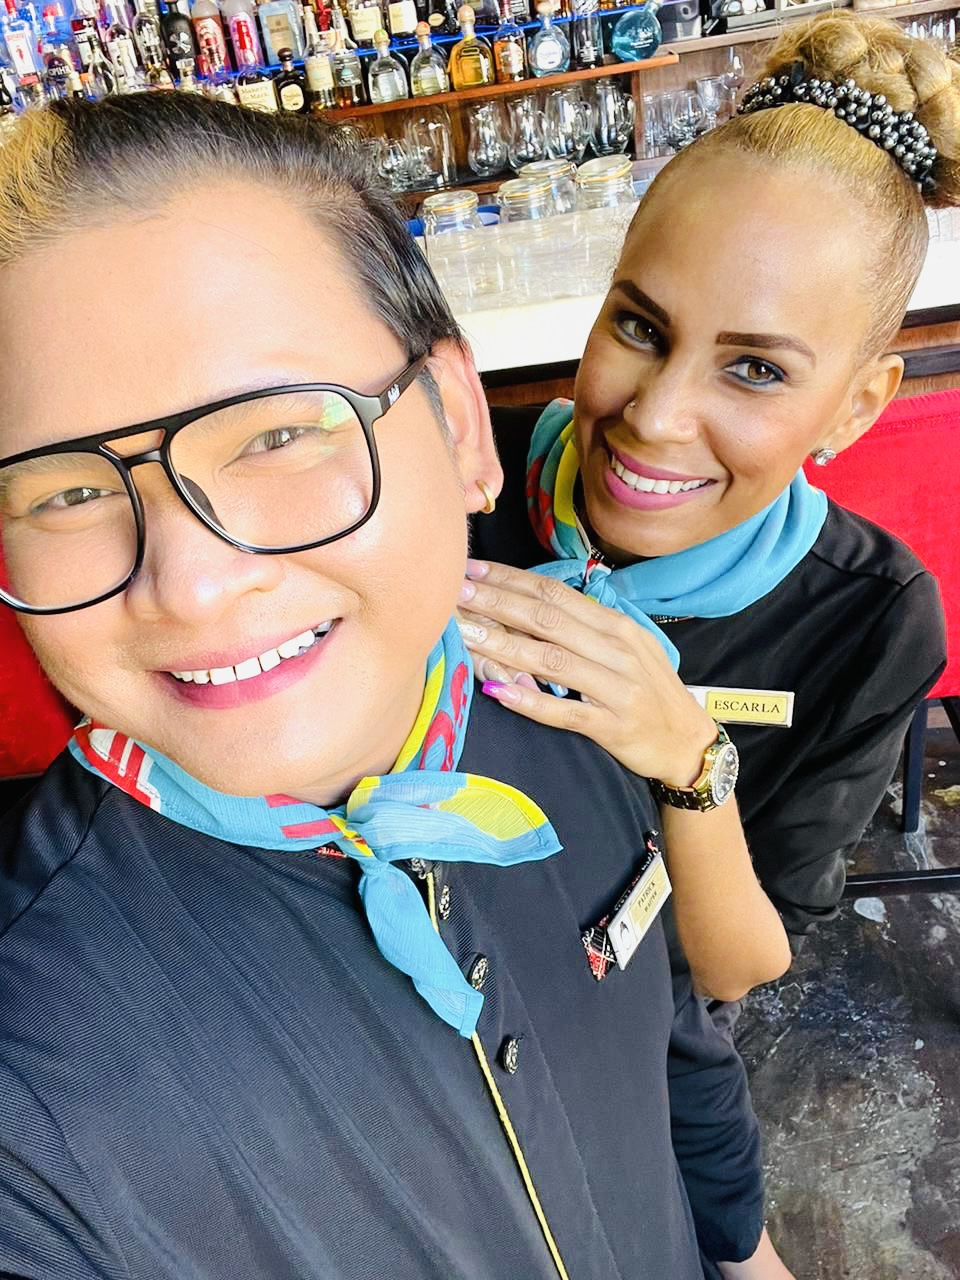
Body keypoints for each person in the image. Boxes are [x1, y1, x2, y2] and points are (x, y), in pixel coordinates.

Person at [0, 96, 792, 1279]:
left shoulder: (574, 695)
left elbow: (675, 1035)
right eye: (65, 491)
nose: (195, 584)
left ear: (461, 423)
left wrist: (748, 1251)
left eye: (277, 433)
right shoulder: (30, 1076)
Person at [463, 11, 952, 1002]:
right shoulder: (459, 474)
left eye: (756, 368)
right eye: (640, 327)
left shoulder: (870, 616)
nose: (655, 417)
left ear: (856, 407)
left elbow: (744, 964)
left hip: (637, 1006)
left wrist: (689, 757)